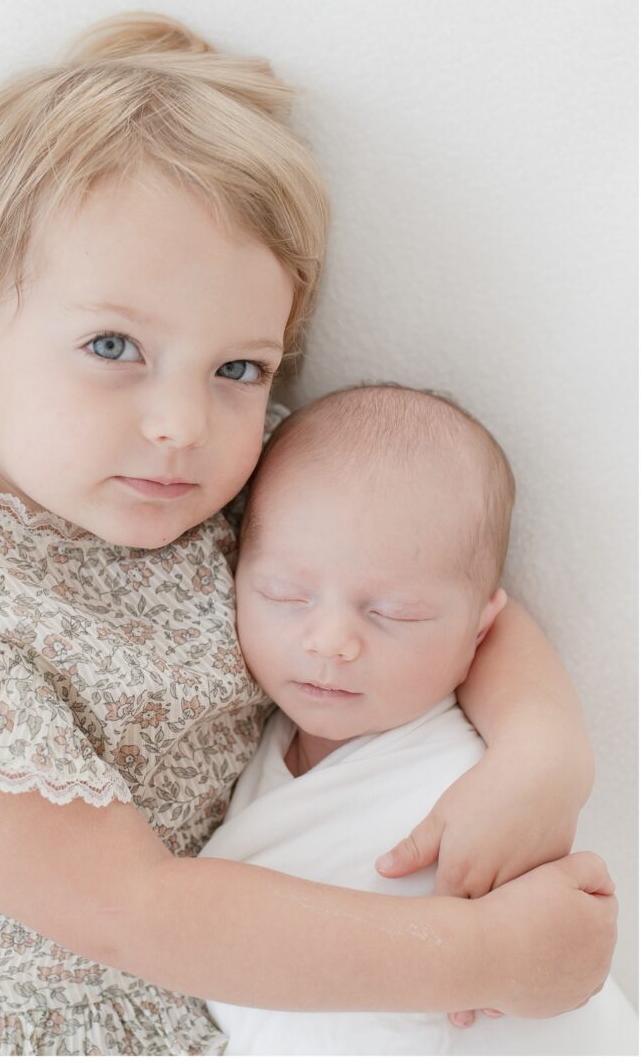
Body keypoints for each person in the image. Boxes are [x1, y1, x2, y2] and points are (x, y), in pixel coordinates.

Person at [0, 14, 616, 1056]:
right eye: (113, 346)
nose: (180, 425)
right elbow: (133, 906)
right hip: (39, 1012)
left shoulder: (225, 475)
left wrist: (543, 754)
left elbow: (440, 581)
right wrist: (486, 957)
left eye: (237, 369)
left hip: (243, 959)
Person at [201, 384, 634, 1055]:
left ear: (480, 631)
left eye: (392, 614)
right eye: (285, 596)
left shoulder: (479, 787)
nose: (330, 642)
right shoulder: (253, 742)